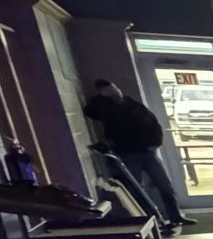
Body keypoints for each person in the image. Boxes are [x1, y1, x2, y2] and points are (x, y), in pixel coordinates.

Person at [83, 80, 196, 231]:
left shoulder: (134, 105)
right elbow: (90, 112)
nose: (114, 92)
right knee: (137, 189)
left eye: (114, 88)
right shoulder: (107, 109)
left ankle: (175, 216)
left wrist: (156, 142)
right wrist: (101, 97)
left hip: (148, 151)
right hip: (127, 153)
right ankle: (151, 220)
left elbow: (153, 123)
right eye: (108, 90)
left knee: (164, 185)